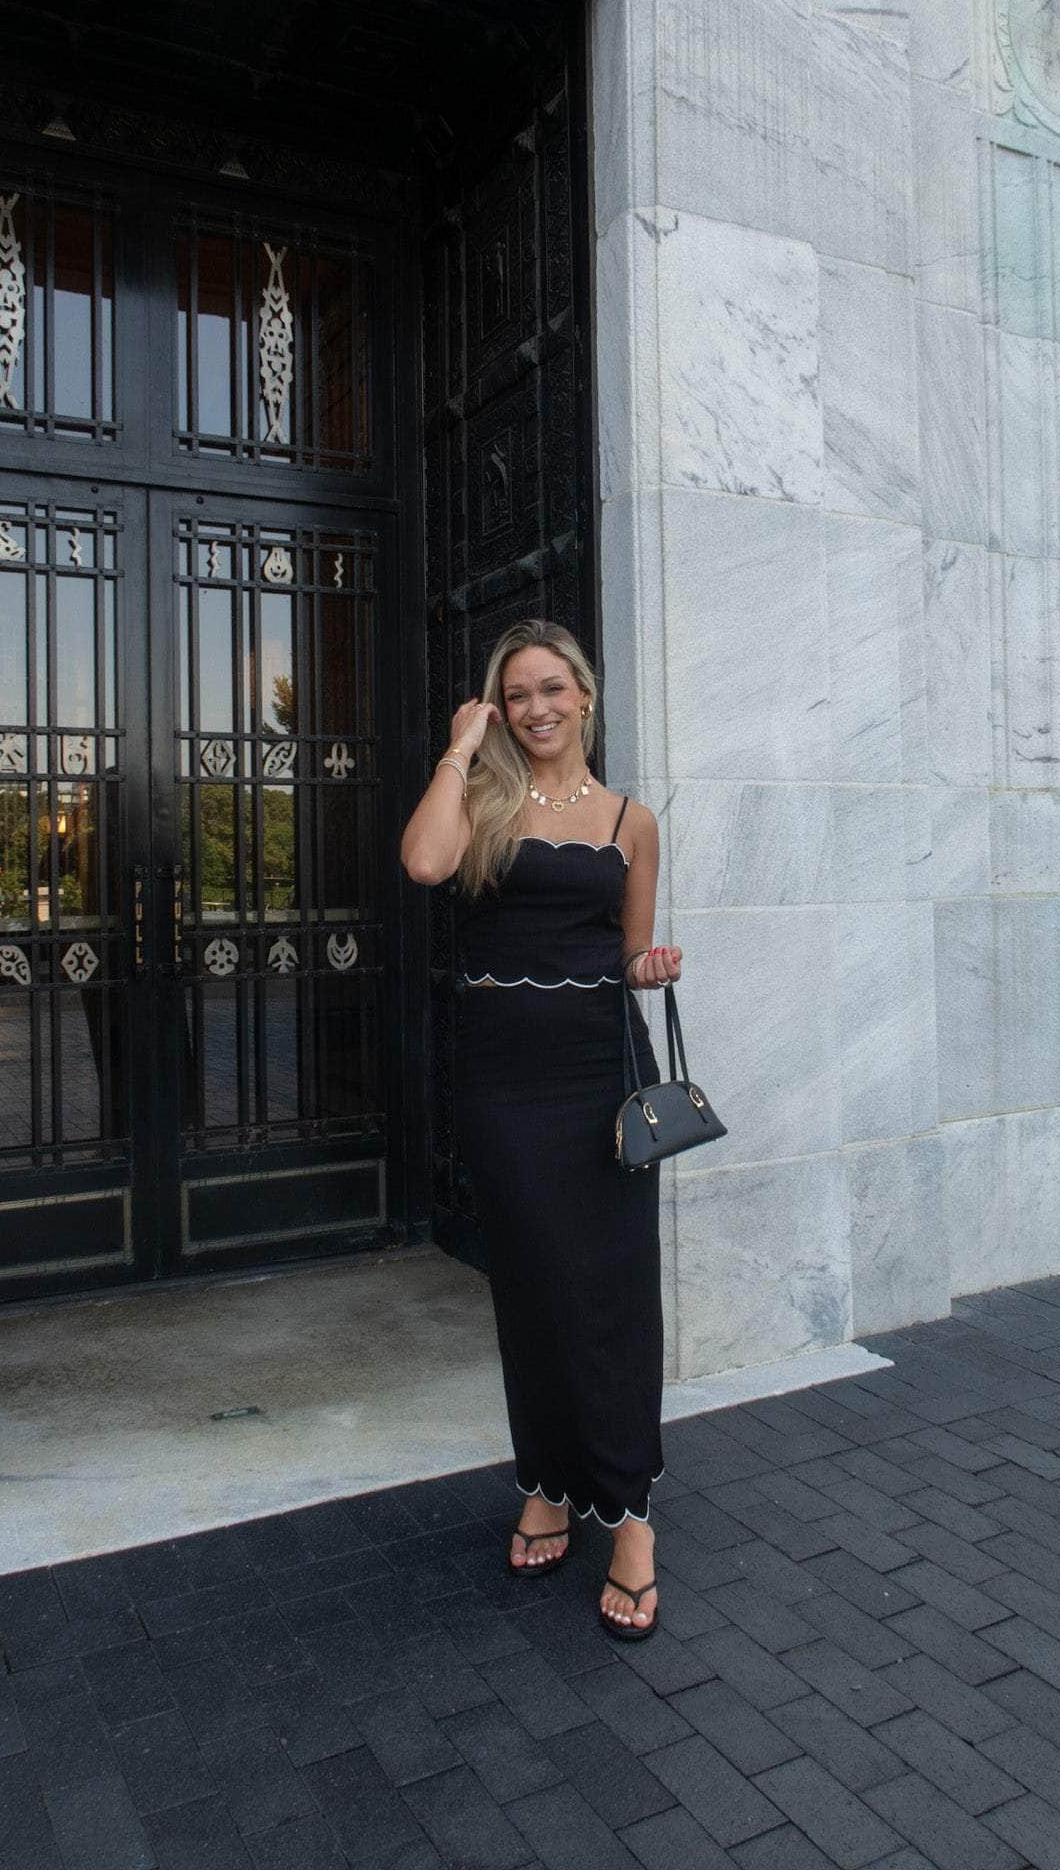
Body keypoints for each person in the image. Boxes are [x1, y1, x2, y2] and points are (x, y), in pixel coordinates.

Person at [400, 618, 681, 1638]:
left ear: (585, 696)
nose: (536, 708)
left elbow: (630, 951)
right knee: (529, 1291)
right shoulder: (481, 804)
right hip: (504, 1085)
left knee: (610, 1294)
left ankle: (631, 1515)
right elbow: (423, 863)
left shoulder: (631, 822)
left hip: (599, 1076)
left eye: (552, 688)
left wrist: (651, 966)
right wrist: (460, 747)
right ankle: (549, 1484)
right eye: (516, 694)